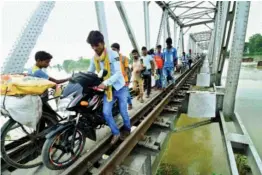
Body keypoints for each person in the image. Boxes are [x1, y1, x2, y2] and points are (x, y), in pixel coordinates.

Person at [87, 31, 131, 144]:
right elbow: (89, 72)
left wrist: (105, 83)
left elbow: (118, 73)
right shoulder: (94, 59)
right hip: (108, 90)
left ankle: (127, 129)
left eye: (96, 45)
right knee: (106, 112)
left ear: (102, 43)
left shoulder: (114, 55)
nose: (94, 48)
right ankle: (116, 133)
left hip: (120, 87)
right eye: (92, 46)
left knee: (123, 110)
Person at [111, 43, 133, 110]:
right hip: (115, 81)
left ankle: (129, 103)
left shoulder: (124, 58)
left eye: (114, 50)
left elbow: (126, 69)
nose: (113, 51)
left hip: (124, 80)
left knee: (126, 94)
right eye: (112, 50)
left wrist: (121, 77)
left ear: (118, 50)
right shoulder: (112, 59)